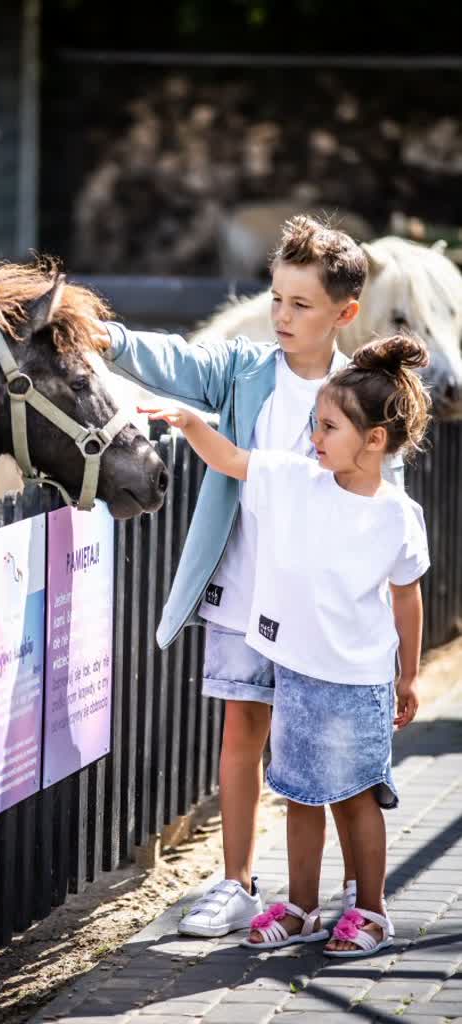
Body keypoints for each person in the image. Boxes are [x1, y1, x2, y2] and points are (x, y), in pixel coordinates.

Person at [99, 216, 404, 935]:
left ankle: (355, 902)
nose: (281, 316)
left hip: (322, 616)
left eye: (300, 305)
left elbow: (381, 520)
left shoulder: (361, 397)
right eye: (275, 299)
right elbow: (174, 359)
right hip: (243, 593)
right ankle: (235, 883)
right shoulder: (243, 371)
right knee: (242, 727)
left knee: (325, 754)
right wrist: (103, 337)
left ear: (344, 313)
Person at [139, 333, 430, 957]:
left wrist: (407, 679)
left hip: (359, 685)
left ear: (374, 441)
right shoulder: (296, 479)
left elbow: (407, 597)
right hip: (294, 675)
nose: (314, 436)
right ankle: (302, 907)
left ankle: (372, 913)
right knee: (298, 797)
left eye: (326, 426)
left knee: (354, 801)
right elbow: (233, 459)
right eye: (312, 423)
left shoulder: (397, 516)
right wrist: (189, 421)